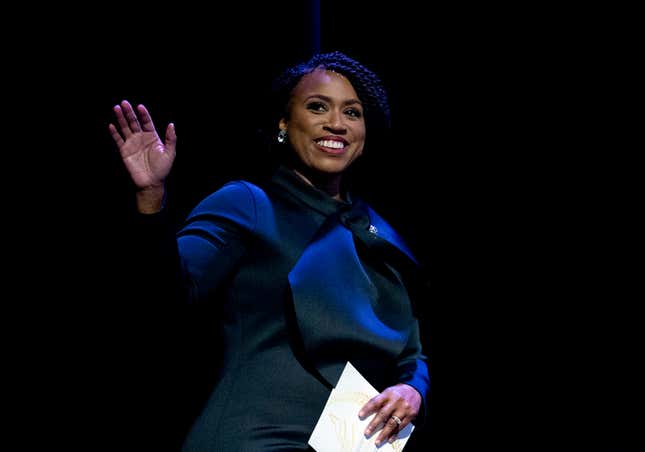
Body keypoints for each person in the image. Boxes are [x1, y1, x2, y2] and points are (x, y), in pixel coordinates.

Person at [108, 50, 430, 451]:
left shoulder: (377, 232)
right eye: (317, 107)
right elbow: (166, 295)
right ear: (283, 122)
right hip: (253, 439)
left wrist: (411, 390)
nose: (337, 123)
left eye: (353, 113)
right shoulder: (248, 202)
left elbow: (411, 349)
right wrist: (151, 198)